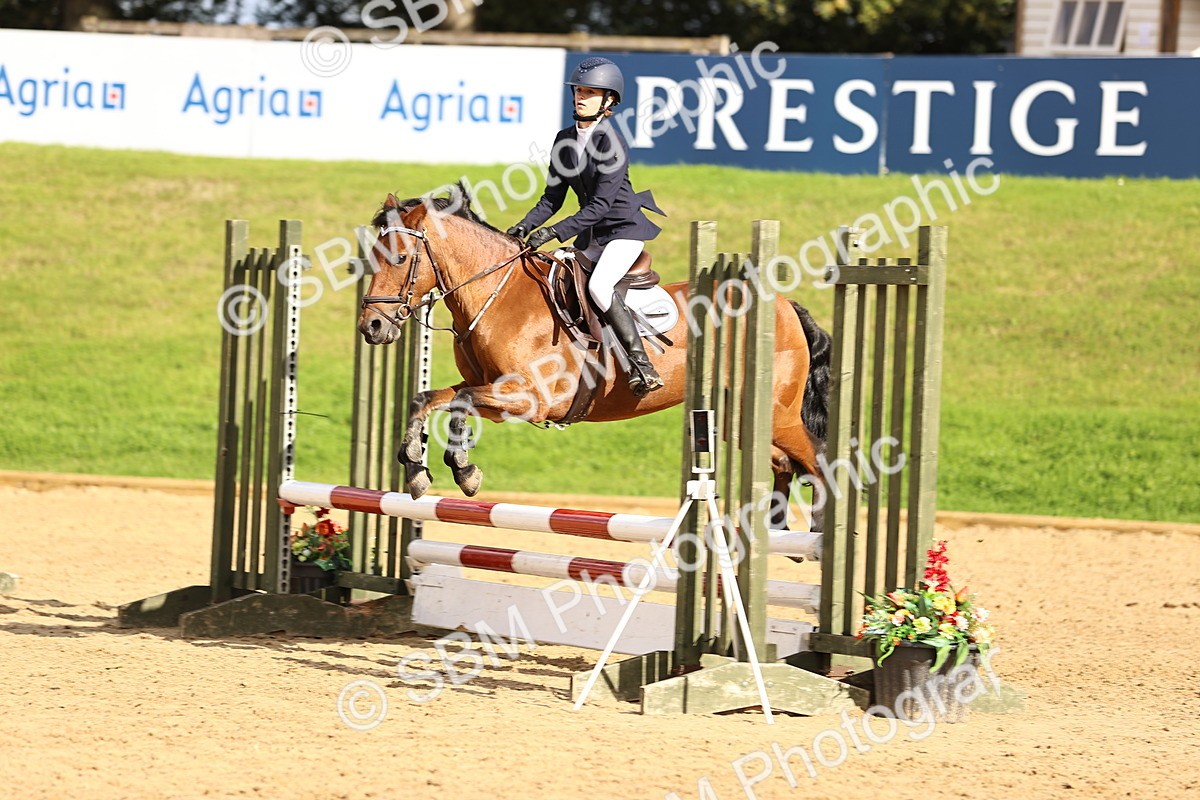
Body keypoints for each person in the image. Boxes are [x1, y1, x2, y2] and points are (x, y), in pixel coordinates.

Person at [507, 56, 666, 398]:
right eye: (579, 90)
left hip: (623, 231)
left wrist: (553, 233)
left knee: (599, 286)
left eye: (591, 92)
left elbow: (600, 206)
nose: (581, 97)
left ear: (609, 101)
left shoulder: (612, 142)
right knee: (556, 277)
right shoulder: (564, 138)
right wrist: (522, 228)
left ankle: (642, 366)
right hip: (592, 233)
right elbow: (552, 198)